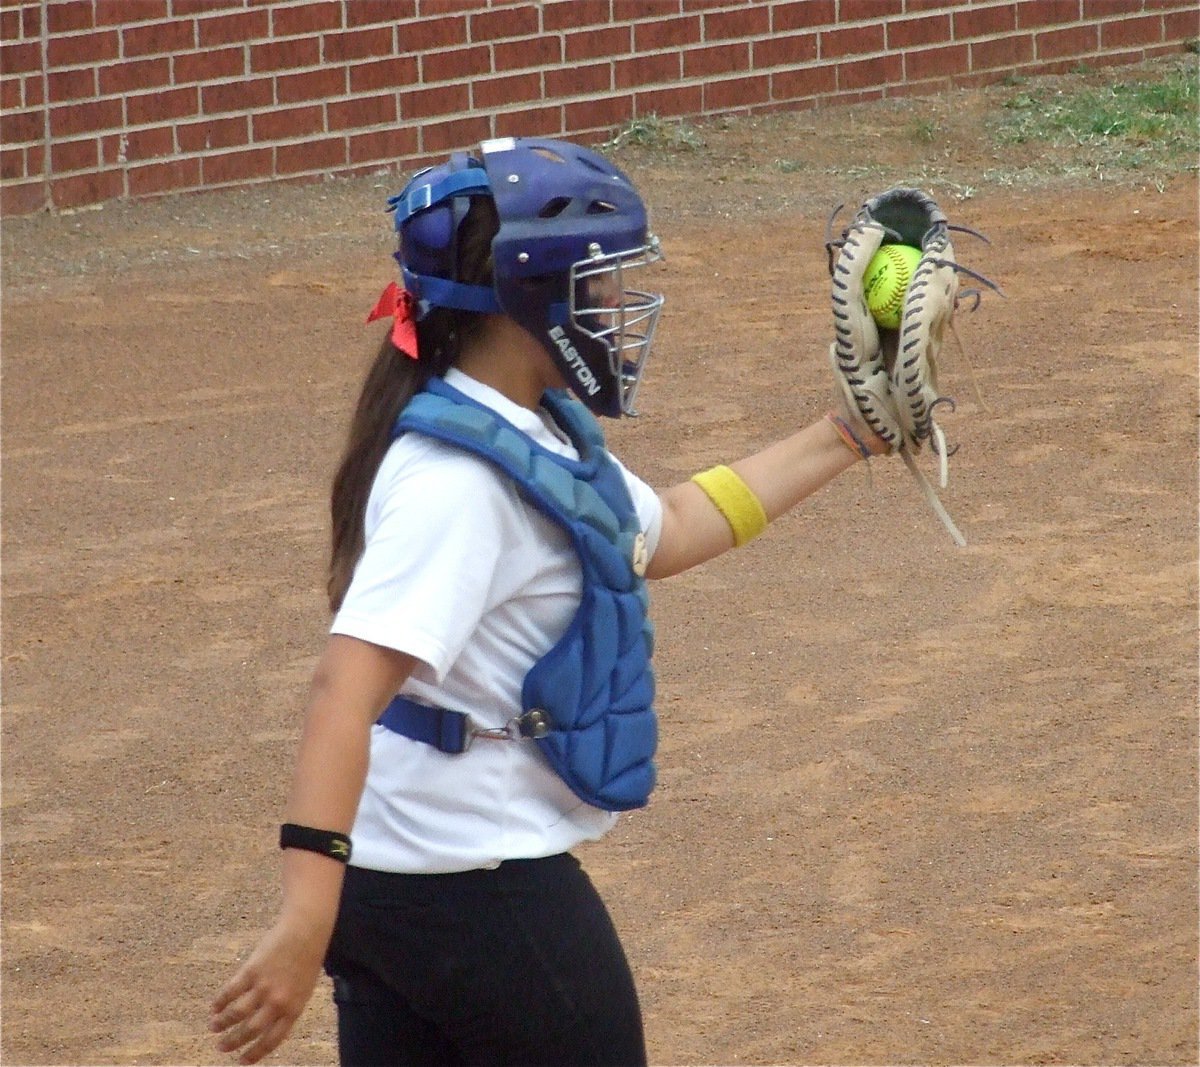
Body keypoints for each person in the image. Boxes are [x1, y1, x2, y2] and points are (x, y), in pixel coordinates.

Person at [209, 136, 890, 1067]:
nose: (614, 302)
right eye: (594, 280)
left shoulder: (520, 427)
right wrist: (304, 916)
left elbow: (669, 527)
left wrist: (850, 431)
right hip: (466, 885)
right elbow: (342, 691)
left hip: (402, 877)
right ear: (528, 296)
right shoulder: (460, 483)